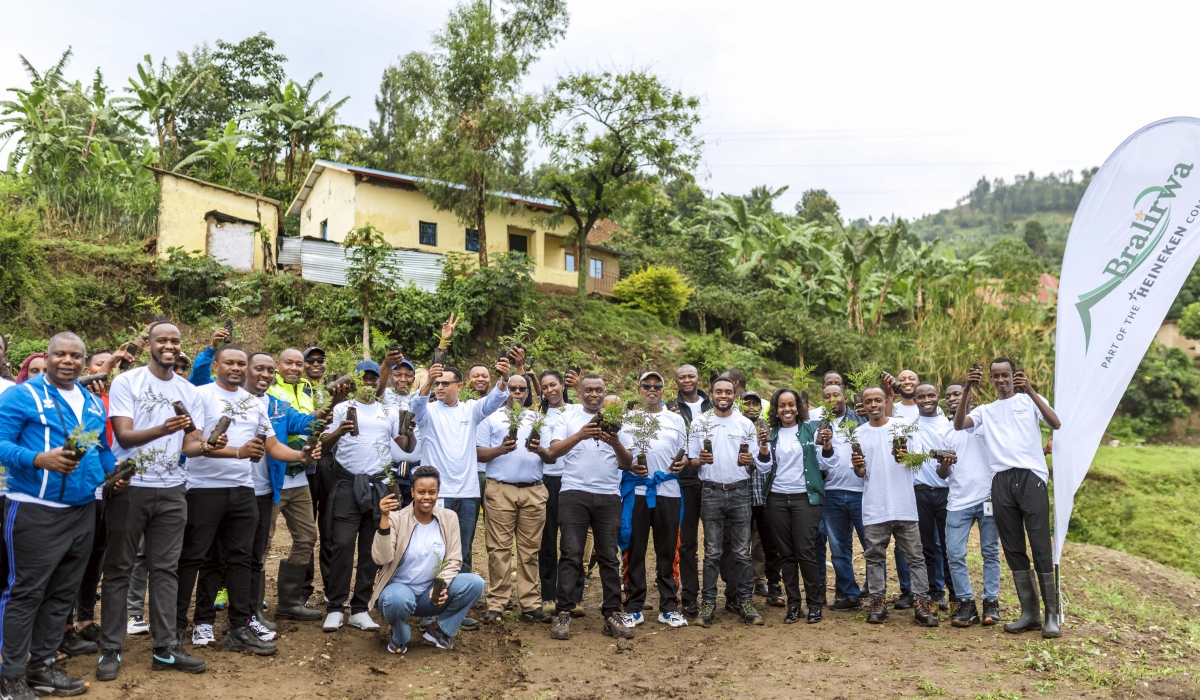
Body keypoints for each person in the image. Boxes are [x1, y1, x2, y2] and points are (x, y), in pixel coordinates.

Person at [0, 333, 119, 698]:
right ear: (48, 357)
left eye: (76, 355)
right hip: (34, 508)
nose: (68, 361)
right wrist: (38, 459)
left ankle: (43, 666)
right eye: (60, 354)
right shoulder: (22, 395)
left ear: (84, 361)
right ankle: (9, 676)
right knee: (26, 592)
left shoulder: (91, 402)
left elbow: (99, 449)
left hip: (82, 511)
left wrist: (113, 472)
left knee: (62, 593)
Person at [176, 345, 315, 656]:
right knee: (197, 558)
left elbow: (273, 446)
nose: (236, 368)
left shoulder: (254, 404)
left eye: (241, 363)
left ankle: (238, 628)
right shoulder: (201, 395)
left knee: (241, 559)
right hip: (204, 489)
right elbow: (190, 445)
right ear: (216, 365)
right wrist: (234, 451)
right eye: (230, 363)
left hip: (242, 490)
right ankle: (181, 626)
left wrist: (300, 455)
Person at [99, 322, 212, 681]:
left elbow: (190, 443)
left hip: (173, 489)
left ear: (181, 346)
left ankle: (165, 648)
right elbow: (124, 436)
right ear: (149, 344)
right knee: (119, 569)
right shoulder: (127, 382)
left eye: (174, 341)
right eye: (161, 340)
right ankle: (110, 648)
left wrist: (206, 446)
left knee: (166, 570)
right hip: (130, 485)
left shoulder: (189, 391)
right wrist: (165, 428)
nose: (168, 345)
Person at [954, 358, 1062, 638]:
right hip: (1001, 480)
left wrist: (1031, 391)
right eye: (996, 376)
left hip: (1031, 477)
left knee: (1040, 545)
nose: (1001, 380)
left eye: (1006, 375)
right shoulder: (986, 410)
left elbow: (1055, 423)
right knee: (1013, 547)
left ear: (1015, 375)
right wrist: (967, 388)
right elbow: (959, 424)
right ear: (990, 379)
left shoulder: (1030, 401)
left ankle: (1052, 616)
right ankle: (1030, 614)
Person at [412, 319, 510, 580]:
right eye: (437, 384)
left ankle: (459, 599)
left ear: (459, 386)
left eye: (445, 383)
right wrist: (428, 379)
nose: (440, 388)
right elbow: (415, 407)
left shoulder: (470, 410)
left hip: (467, 493)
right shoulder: (427, 412)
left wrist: (504, 378)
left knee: (463, 550)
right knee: (436, 549)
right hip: (438, 493)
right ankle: (431, 597)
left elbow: (494, 401)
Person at [539, 377, 635, 640]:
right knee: (570, 553)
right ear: (579, 392)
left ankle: (612, 613)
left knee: (608, 556)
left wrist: (615, 442)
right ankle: (564, 612)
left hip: (608, 495)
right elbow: (553, 452)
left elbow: (627, 463)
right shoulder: (568, 417)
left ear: (605, 393)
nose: (594, 394)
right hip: (574, 492)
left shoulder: (618, 420)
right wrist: (581, 434)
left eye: (599, 390)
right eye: (589, 390)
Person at [846, 386, 950, 627]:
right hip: (875, 505)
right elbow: (860, 473)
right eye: (868, 401)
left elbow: (914, 463)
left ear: (886, 402)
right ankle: (877, 603)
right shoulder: (859, 434)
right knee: (874, 557)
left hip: (904, 505)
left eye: (878, 400)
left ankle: (922, 604)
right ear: (863, 405)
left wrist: (904, 456)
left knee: (916, 557)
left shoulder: (902, 428)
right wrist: (858, 466)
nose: (873, 405)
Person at [319, 360, 408, 632]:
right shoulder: (342, 408)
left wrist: (409, 431)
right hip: (348, 484)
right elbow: (324, 446)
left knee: (371, 549)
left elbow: (405, 445)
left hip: (379, 485)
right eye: (363, 378)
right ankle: (335, 607)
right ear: (355, 381)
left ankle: (360, 608)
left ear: (380, 381)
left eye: (373, 378)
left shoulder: (388, 411)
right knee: (342, 544)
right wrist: (340, 429)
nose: (368, 382)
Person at [371, 466, 486, 653]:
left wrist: (442, 584)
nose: (426, 497)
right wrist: (384, 518)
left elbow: (455, 559)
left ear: (438, 493)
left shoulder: (449, 518)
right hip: (399, 592)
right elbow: (381, 558)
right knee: (395, 600)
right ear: (412, 492)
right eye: (421, 492)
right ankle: (399, 635)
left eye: (432, 492)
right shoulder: (396, 519)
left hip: (430, 596)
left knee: (475, 583)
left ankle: (439, 630)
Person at [688, 377, 766, 627]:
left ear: (735, 396)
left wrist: (749, 462)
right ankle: (708, 603)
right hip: (711, 491)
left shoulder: (745, 424)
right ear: (710, 395)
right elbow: (691, 462)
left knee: (742, 553)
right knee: (712, 552)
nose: (724, 395)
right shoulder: (700, 423)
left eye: (728, 392)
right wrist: (699, 460)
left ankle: (746, 601)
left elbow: (753, 463)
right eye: (719, 391)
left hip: (739, 491)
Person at [476, 374, 549, 623]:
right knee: (498, 549)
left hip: (533, 490)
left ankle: (530, 603)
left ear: (527, 393)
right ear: (505, 391)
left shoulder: (537, 418)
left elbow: (550, 455)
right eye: (512, 388)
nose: (517, 392)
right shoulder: (490, 417)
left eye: (521, 389)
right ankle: (497, 603)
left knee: (530, 550)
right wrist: (500, 449)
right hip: (500, 489)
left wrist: (539, 449)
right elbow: (478, 453)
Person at [619, 371, 689, 628]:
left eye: (657, 385)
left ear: (663, 390)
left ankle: (669, 607)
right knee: (634, 549)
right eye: (646, 385)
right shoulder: (628, 419)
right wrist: (629, 467)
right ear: (639, 390)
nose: (652, 389)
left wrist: (683, 462)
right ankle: (633, 606)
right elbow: (621, 455)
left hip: (668, 490)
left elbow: (685, 453)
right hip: (637, 491)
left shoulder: (676, 420)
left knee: (668, 550)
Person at [264, 348, 325, 621]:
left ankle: (288, 602)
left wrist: (327, 410)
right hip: (271, 478)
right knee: (262, 542)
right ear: (278, 364)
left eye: (299, 364)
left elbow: (304, 423)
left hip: (299, 477)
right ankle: (251, 605)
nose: (295, 368)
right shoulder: (268, 393)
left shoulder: (307, 390)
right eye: (288, 362)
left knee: (307, 537)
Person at [762, 388, 826, 623]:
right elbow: (763, 467)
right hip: (776, 499)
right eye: (782, 405)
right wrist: (763, 447)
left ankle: (815, 604)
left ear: (798, 407)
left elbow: (826, 463)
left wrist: (827, 445)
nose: (786, 409)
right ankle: (794, 605)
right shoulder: (771, 433)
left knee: (805, 551)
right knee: (786, 555)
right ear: (776, 409)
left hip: (805, 499)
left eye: (791, 404)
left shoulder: (812, 430)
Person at [941, 383, 1001, 628]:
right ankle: (966, 603)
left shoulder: (986, 422)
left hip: (988, 498)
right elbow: (942, 473)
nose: (952, 398)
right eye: (948, 396)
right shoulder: (944, 430)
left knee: (990, 552)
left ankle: (991, 602)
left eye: (957, 393)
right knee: (954, 554)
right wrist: (944, 464)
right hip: (958, 501)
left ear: (969, 396)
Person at [729, 391, 784, 608]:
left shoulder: (769, 430)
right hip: (741, 496)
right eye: (747, 404)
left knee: (770, 544)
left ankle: (773, 585)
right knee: (739, 545)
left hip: (765, 496)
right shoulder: (735, 429)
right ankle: (738, 590)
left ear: (761, 408)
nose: (751, 407)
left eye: (755, 404)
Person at [817, 384, 870, 612]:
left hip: (862, 492)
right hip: (832, 492)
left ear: (845, 398)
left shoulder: (861, 421)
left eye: (836, 395)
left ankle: (876, 593)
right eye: (827, 396)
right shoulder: (820, 426)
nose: (832, 399)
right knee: (838, 549)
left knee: (871, 546)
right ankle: (850, 594)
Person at [535, 370, 585, 611]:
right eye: (544, 387)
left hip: (573, 480)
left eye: (553, 385)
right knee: (547, 538)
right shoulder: (539, 415)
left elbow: (595, 408)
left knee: (573, 539)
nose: (549, 390)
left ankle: (574, 595)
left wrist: (579, 388)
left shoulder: (577, 410)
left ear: (562, 385)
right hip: (547, 479)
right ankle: (548, 595)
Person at [665, 364, 710, 617]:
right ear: (676, 382)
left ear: (698, 378)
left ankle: (729, 593)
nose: (687, 380)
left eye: (691, 376)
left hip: (712, 479)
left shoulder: (712, 404)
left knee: (719, 541)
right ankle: (690, 596)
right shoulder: (670, 408)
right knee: (687, 542)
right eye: (682, 377)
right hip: (686, 482)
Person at [910, 382, 957, 610]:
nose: (926, 400)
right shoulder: (909, 426)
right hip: (920, 492)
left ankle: (956, 595)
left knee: (949, 547)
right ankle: (933, 595)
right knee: (925, 547)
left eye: (931, 395)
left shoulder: (948, 424)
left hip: (947, 492)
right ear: (915, 400)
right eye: (921, 397)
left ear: (938, 397)